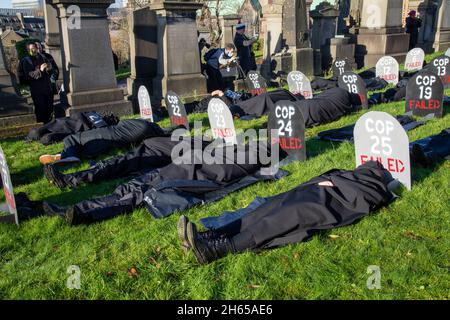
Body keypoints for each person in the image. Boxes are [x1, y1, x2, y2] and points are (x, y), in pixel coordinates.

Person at [177, 161, 397, 264]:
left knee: (291, 214)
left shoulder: (389, 178)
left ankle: (218, 250)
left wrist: (338, 183)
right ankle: (215, 235)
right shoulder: (371, 166)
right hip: (333, 185)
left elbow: (369, 193)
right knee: (272, 205)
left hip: (345, 198)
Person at [42, 140, 286, 225]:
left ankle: (83, 213)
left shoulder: (251, 158)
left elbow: (222, 174)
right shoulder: (248, 153)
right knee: (130, 189)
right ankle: (79, 209)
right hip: (177, 169)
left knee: (133, 194)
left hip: (184, 175)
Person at [38, 119, 167, 165]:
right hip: (114, 137)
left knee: (72, 139)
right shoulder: (148, 129)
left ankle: (68, 155)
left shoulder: (143, 125)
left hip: (111, 137)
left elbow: (122, 123)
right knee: (86, 147)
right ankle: (65, 155)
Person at [20, 42, 55, 123]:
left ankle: (50, 126)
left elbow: (51, 68)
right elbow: (29, 75)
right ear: (28, 50)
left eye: (34, 48)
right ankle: (42, 129)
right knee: (41, 110)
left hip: (47, 88)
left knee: (50, 108)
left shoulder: (42, 57)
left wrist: (49, 68)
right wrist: (40, 70)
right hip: (37, 90)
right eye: (31, 49)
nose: (34, 50)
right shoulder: (26, 61)